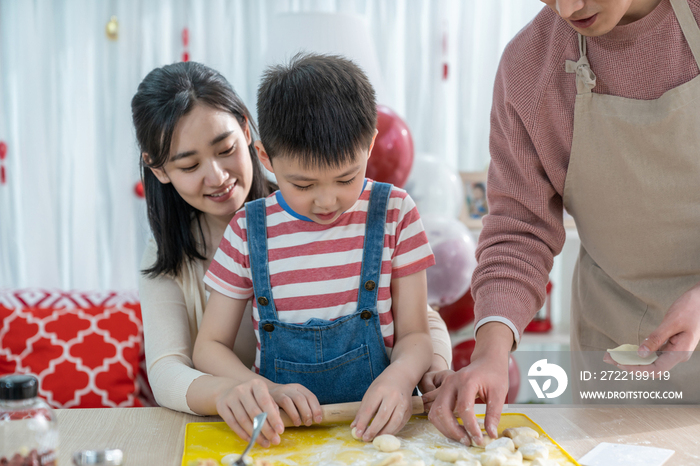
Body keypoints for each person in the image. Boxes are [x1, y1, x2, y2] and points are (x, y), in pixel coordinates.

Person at [131, 61, 453, 447]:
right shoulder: (245, 231)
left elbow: (416, 323)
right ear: (159, 169)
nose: (326, 200)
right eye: (190, 164)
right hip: (284, 436)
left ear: (249, 139)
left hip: (380, 433)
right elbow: (176, 365)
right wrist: (250, 389)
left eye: (226, 149)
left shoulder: (388, 211)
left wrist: (421, 370)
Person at [426, 0, 700, 446]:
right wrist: (491, 353)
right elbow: (520, 230)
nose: (569, 7)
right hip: (622, 361)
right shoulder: (530, 68)